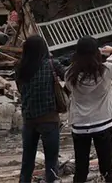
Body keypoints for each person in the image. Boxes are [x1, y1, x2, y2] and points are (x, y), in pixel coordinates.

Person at [66, 37, 112, 183]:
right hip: (103, 124)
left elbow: (70, 89)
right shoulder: (106, 70)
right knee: (107, 168)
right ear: (97, 52)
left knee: (81, 168)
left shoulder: (70, 73)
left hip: (80, 126)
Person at [17, 35, 65, 183]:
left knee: (27, 160)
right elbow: (69, 77)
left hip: (28, 120)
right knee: (51, 160)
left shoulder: (20, 67)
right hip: (49, 120)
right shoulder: (52, 64)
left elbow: (20, 90)